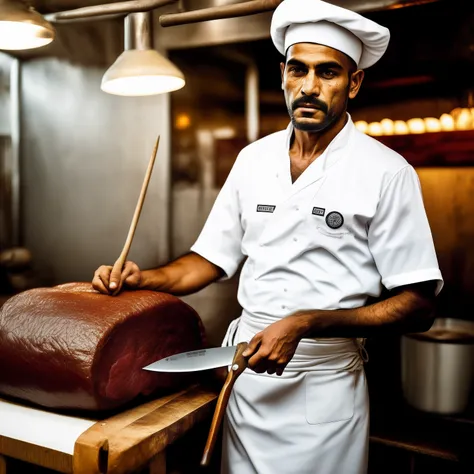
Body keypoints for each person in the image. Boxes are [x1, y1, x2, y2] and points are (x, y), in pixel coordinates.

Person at [93, 0, 443, 472]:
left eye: (328, 73)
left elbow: (418, 304)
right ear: (282, 74)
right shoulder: (252, 160)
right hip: (246, 381)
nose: (310, 87)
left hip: (325, 391)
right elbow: (208, 261)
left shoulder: (386, 172)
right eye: (298, 70)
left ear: (354, 82)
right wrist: (143, 278)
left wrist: (307, 322)